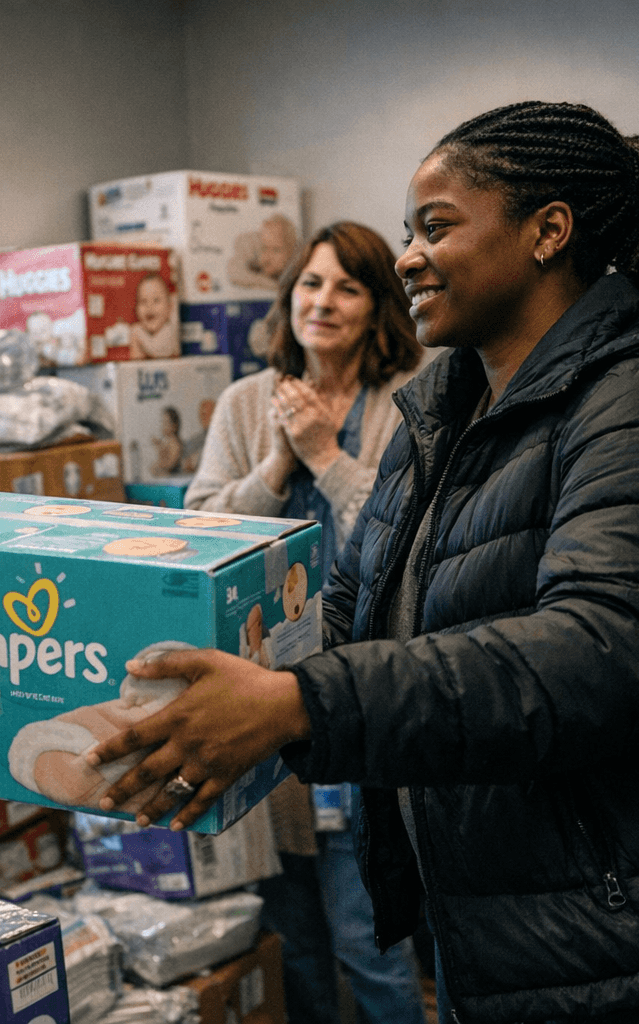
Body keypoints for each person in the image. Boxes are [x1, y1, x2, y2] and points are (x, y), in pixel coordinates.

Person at [87, 100, 639, 1024]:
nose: (408, 257)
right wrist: (224, 686)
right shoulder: (444, 416)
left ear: (547, 232)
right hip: (514, 916)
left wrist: (299, 704)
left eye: (435, 227)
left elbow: (605, 656)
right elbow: (355, 606)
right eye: (409, 232)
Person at [186, 220, 428, 1024]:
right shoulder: (244, 402)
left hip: (362, 694)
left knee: (368, 936)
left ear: (379, 308)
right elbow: (202, 533)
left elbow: (408, 547)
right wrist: (277, 464)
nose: (322, 302)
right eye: (311, 284)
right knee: (292, 936)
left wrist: (324, 455)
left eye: (347, 287)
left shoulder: (413, 403)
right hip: (261, 694)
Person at [128, 273, 179, 359]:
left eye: (156, 300)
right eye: (143, 301)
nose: (149, 307)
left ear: (170, 307)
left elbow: (157, 350)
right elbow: (137, 360)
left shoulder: (170, 330)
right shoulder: (142, 334)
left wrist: (137, 333)